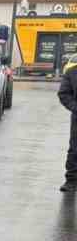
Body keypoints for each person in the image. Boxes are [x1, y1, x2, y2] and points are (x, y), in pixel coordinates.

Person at [58, 55, 77, 193]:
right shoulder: (72, 72)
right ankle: (71, 180)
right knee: (75, 149)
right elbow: (64, 94)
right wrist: (75, 107)